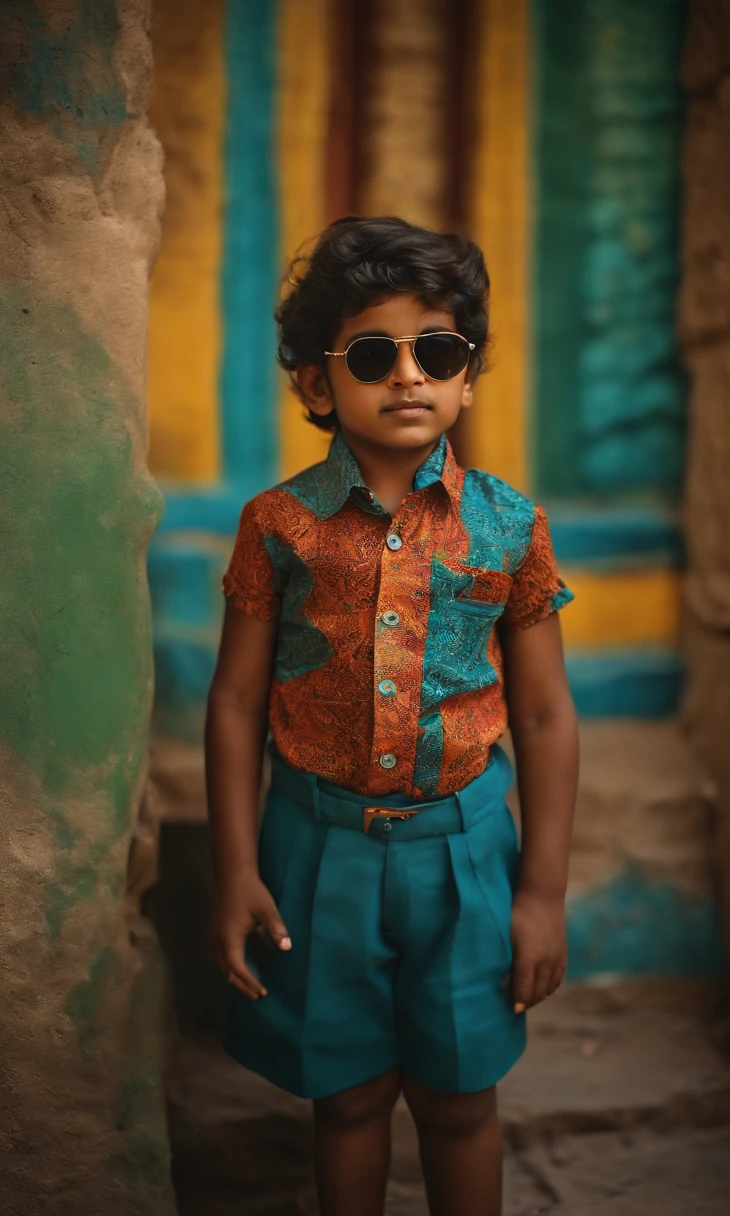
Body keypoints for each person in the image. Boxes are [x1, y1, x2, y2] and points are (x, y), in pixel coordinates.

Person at [206, 215, 579, 1216]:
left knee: (459, 1103)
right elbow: (238, 700)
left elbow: (543, 716)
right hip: (318, 852)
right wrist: (237, 869)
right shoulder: (278, 527)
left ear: (465, 375)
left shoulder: (508, 524)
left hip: (463, 858)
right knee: (351, 1096)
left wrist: (539, 891)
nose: (409, 374)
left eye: (438, 349)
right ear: (319, 385)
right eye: (374, 352)